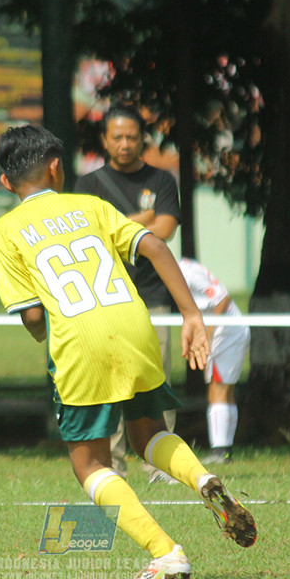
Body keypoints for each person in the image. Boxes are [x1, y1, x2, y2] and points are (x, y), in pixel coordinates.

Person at [0, 125, 256, 579]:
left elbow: (33, 316)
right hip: (135, 325)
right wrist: (192, 314)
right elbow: (153, 245)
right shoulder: (89, 205)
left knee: (89, 462)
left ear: (6, 183)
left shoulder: (6, 230)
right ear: (56, 168)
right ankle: (201, 479)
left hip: (80, 342)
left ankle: (166, 552)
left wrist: (43, 336)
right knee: (148, 433)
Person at [74, 104, 182, 483]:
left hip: (153, 297)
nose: (124, 144)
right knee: (108, 382)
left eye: (131, 137)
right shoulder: (87, 186)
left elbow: (164, 229)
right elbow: (88, 238)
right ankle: (112, 465)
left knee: (157, 381)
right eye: (116, 137)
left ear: (143, 140)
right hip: (104, 301)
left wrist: (116, 227)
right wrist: (141, 221)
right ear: (104, 141)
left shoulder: (163, 180)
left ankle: (162, 466)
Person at [178, 258, 250, 465]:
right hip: (229, 330)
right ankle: (225, 450)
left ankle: (220, 451)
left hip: (226, 332)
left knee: (217, 390)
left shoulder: (188, 272)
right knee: (224, 391)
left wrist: (209, 332)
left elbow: (222, 298)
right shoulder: (187, 267)